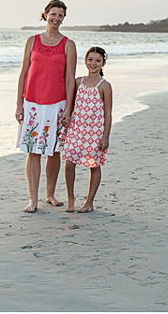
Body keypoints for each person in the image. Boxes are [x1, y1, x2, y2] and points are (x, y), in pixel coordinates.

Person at [15, 0, 77, 213]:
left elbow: (70, 79)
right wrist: (19, 104)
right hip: (32, 103)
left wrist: (69, 109)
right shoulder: (32, 41)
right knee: (33, 151)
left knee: (54, 151)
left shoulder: (68, 44)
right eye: (53, 14)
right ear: (45, 15)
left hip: (57, 104)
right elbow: (23, 73)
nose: (56, 19)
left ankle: (49, 194)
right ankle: (33, 199)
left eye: (60, 15)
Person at [61, 47, 112, 213]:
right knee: (69, 163)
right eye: (90, 59)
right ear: (85, 61)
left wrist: (105, 137)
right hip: (76, 129)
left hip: (95, 132)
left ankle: (89, 201)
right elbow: (70, 104)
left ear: (103, 63)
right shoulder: (78, 82)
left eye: (97, 60)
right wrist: (66, 118)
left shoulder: (104, 86)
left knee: (94, 165)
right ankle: (70, 198)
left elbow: (108, 113)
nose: (93, 63)